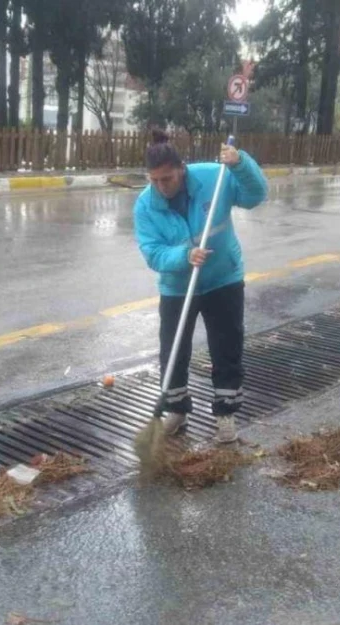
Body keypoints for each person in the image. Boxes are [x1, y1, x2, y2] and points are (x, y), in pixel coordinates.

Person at [133, 129, 268, 444]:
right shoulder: (145, 205)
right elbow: (152, 252)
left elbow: (255, 195)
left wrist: (240, 164)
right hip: (178, 286)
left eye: (167, 179)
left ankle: (225, 416)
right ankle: (177, 411)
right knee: (173, 350)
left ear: (182, 169)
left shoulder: (214, 177)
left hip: (223, 278)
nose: (161, 186)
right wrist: (184, 255)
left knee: (227, 347)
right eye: (154, 180)